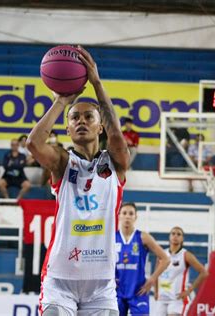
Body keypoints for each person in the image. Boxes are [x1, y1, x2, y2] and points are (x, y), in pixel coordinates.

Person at [27, 45, 130, 315]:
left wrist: (96, 83)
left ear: (100, 126)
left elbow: (117, 134)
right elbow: (34, 143)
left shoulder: (116, 163)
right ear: (68, 128)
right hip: (60, 278)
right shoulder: (62, 163)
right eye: (75, 118)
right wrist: (61, 101)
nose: (81, 121)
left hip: (101, 283)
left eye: (88, 117)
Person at [116, 202, 170, 316]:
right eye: (124, 213)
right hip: (117, 291)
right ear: (119, 215)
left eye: (131, 213)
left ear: (135, 217)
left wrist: (152, 279)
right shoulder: (112, 237)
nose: (127, 216)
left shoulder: (143, 237)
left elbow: (165, 259)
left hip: (139, 290)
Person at [155, 226, 208, 316]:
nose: (175, 236)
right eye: (173, 234)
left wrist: (189, 290)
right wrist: (156, 291)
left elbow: (204, 273)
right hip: (162, 297)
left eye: (179, 234)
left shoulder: (186, 255)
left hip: (177, 299)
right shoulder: (162, 254)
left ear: (182, 238)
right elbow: (156, 274)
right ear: (169, 237)